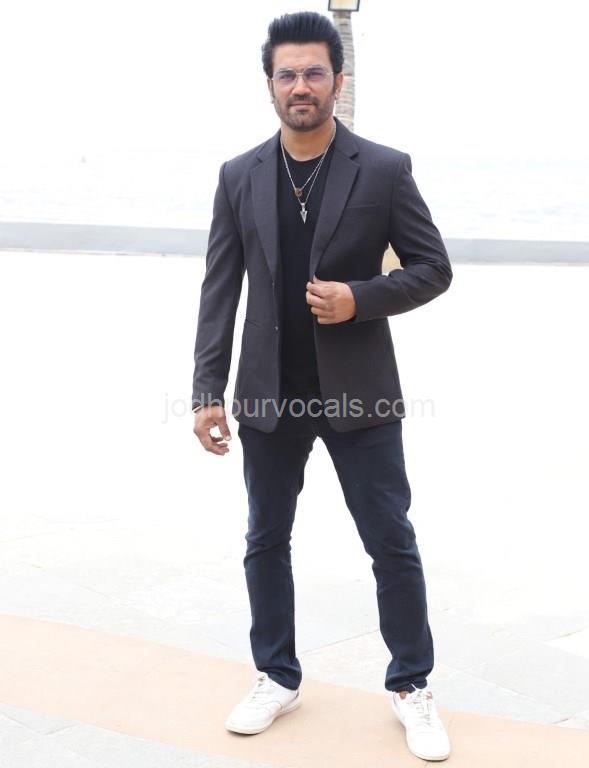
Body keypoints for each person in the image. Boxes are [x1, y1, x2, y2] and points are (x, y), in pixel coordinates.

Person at [192, 10, 452, 762]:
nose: (300, 86)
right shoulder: (238, 175)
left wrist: (358, 298)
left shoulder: (383, 169)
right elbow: (219, 289)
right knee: (264, 539)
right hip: (268, 395)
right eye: (287, 74)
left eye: (313, 72)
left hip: (360, 393)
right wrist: (206, 390)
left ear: (338, 80)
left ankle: (411, 685)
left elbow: (433, 268)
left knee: (390, 541)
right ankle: (276, 675)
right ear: (269, 85)